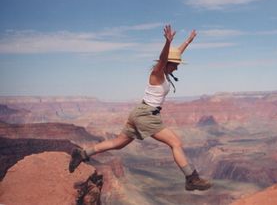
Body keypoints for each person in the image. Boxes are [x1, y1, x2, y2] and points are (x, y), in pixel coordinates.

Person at [69, 25, 211, 191]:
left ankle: (83, 153)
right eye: (175, 64)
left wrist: (188, 41)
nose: (177, 67)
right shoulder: (157, 73)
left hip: (140, 113)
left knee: (118, 143)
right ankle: (191, 179)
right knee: (176, 143)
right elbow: (164, 58)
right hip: (146, 115)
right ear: (167, 64)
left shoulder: (164, 73)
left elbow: (174, 55)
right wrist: (167, 42)